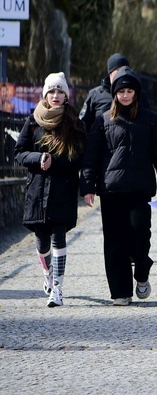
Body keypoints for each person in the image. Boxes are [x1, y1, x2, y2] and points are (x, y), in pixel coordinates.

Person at [81, 68, 157, 305]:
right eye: (121, 91)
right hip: (111, 189)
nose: (125, 95)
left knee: (139, 236)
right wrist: (87, 186)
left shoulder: (151, 120)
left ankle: (142, 273)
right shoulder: (103, 121)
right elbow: (91, 157)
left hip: (140, 189)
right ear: (115, 94)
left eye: (129, 91)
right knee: (114, 242)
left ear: (136, 93)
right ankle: (120, 292)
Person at [16, 73, 86, 307]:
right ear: (45, 94)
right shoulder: (34, 121)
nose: (56, 96)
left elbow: (79, 157)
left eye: (60, 91)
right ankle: (47, 274)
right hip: (37, 191)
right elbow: (19, 152)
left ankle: (57, 288)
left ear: (66, 95)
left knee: (59, 238)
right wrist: (38, 158)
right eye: (52, 91)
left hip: (63, 191)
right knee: (41, 242)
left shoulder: (75, 122)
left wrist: (56, 161)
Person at [79, 53, 150, 132]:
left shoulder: (139, 95)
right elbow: (83, 125)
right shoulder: (95, 95)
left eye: (125, 70)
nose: (122, 74)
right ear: (110, 74)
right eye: (118, 71)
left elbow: (148, 122)